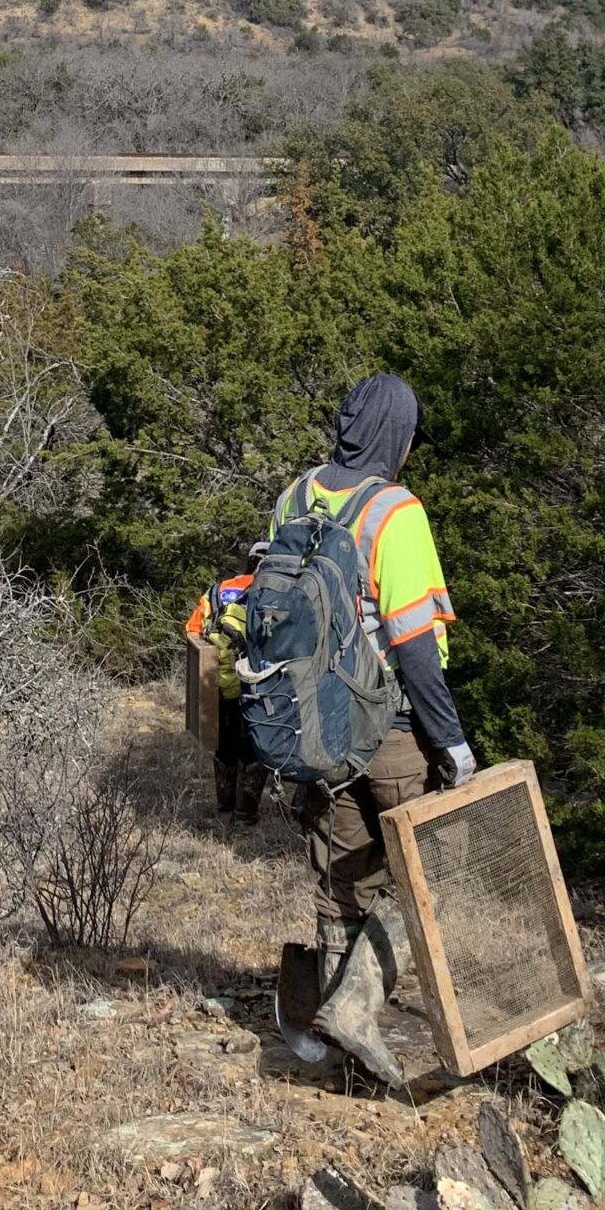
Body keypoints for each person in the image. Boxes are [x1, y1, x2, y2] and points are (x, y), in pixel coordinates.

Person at [272, 372, 474, 1085]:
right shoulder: (395, 512)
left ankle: (334, 1047)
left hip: (312, 729)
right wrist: (450, 742)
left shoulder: (294, 496)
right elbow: (414, 643)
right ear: (400, 437)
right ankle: (356, 1015)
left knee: (342, 886)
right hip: (386, 727)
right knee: (430, 878)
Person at [184, 563, 268, 822]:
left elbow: (192, 631)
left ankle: (224, 809)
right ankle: (246, 813)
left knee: (224, 746)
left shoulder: (217, 591)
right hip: (261, 684)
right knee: (254, 748)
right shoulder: (276, 590)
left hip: (221, 682)